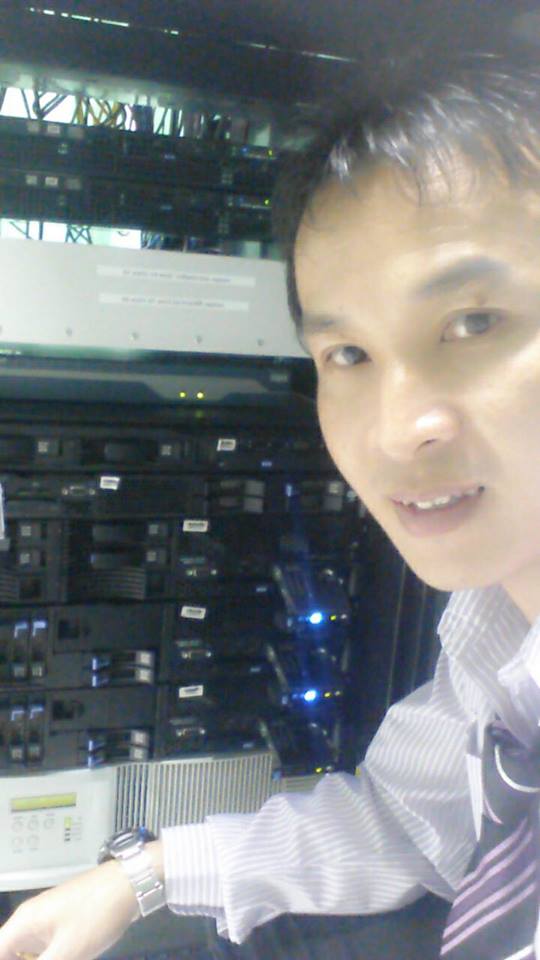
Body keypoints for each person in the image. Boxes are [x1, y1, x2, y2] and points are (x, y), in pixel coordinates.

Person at [2, 44, 540, 960]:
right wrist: (139, 877)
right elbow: (406, 822)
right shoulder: (496, 634)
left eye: (472, 323)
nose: (397, 429)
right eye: (348, 355)